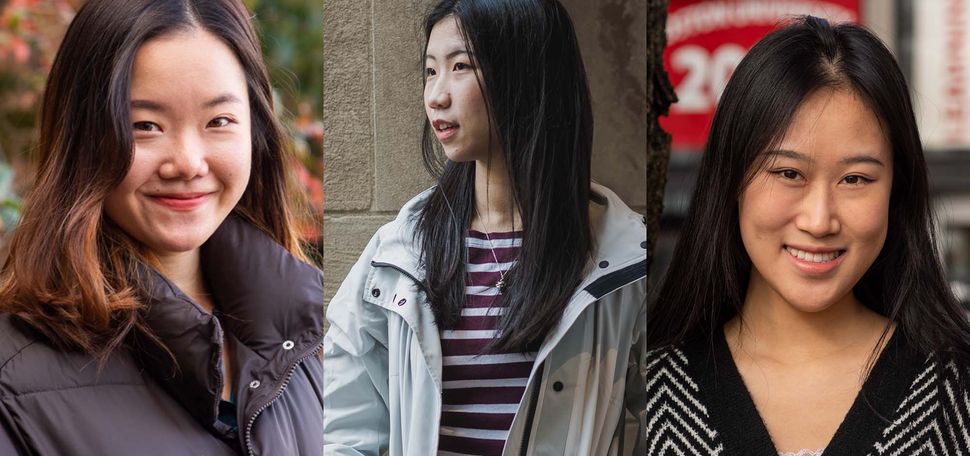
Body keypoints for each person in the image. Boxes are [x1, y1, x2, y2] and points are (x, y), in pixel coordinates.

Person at [322, 0, 647, 454]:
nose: (436, 95)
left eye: (460, 66)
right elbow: (345, 426)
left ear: (526, 74)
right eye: (431, 71)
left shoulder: (625, 259)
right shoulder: (399, 253)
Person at [0, 0, 324, 454]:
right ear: (82, 138)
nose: (188, 163)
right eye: (145, 126)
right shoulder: (13, 381)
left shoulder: (309, 335)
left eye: (219, 121)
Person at [646, 16, 970, 455]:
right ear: (731, 181)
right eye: (788, 173)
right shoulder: (643, 394)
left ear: (898, 190)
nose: (819, 221)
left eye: (855, 179)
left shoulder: (958, 389)